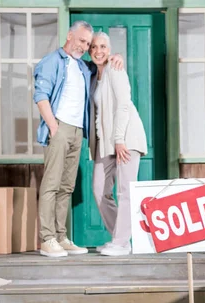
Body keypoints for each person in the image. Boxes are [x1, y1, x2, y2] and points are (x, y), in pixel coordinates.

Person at [33, 21, 122, 258]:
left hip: (76, 132)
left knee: (66, 187)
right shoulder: (52, 61)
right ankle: (47, 238)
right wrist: (53, 126)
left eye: (88, 43)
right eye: (82, 41)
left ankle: (61, 237)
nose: (84, 46)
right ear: (70, 35)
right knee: (51, 184)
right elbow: (41, 96)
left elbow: (101, 64)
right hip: (59, 127)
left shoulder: (83, 66)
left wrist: (117, 56)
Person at [89, 32, 148, 256]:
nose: (98, 51)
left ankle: (122, 242)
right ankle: (120, 237)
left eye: (103, 46)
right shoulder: (95, 75)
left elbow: (124, 105)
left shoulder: (115, 69)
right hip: (107, 144)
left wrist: (119, 140)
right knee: (99, 190)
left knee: (125, 191)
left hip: (126, 139)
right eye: (94, 47)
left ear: (110, 49)